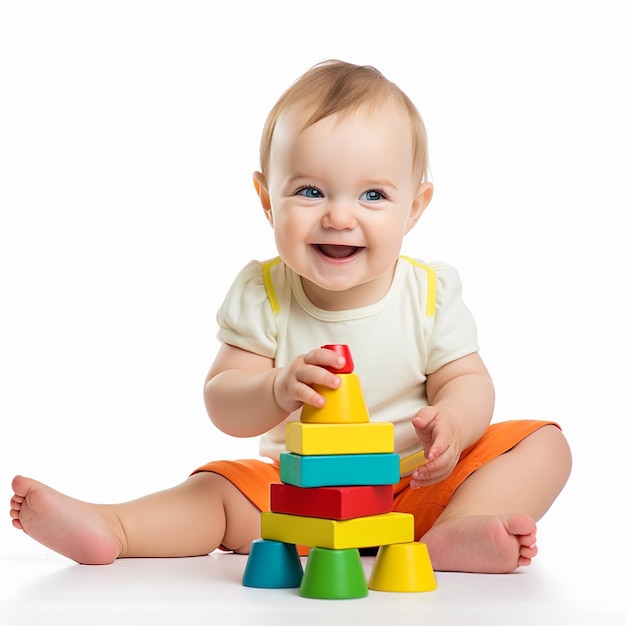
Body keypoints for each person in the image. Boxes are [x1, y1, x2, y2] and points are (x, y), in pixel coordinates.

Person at [10, 59, 572, 574]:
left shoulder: (427, 292)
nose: (340, 216)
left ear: (415, 208)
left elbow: (469, 381)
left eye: (373, 195)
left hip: (414, 488)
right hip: (300, 499)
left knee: (544, 444)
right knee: (218, 488)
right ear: (266, 199)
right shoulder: (266, 293)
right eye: (310, 190)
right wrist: (275, 387)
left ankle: (451, 535)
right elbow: (223, 399)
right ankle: (117, 527)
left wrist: (453, 421)